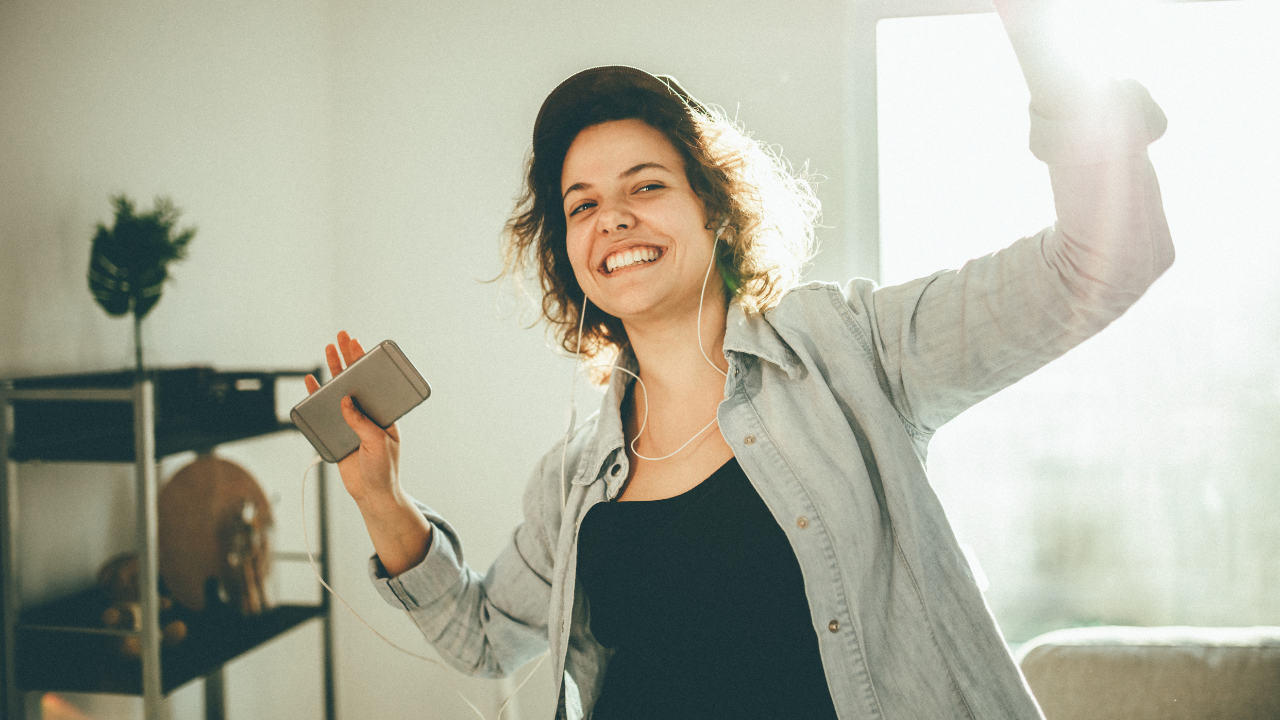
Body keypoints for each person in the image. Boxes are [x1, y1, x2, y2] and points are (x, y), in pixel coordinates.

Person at [304, 2, 1173, 717]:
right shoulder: (571, 483)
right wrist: (379, 495)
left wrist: (1042, 40)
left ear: (713, 210)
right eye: (582, 205)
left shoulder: (849, 349)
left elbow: (1104, 258)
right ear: (567, 252)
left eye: (646, 186)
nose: (612, 220)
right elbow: (486, 641)